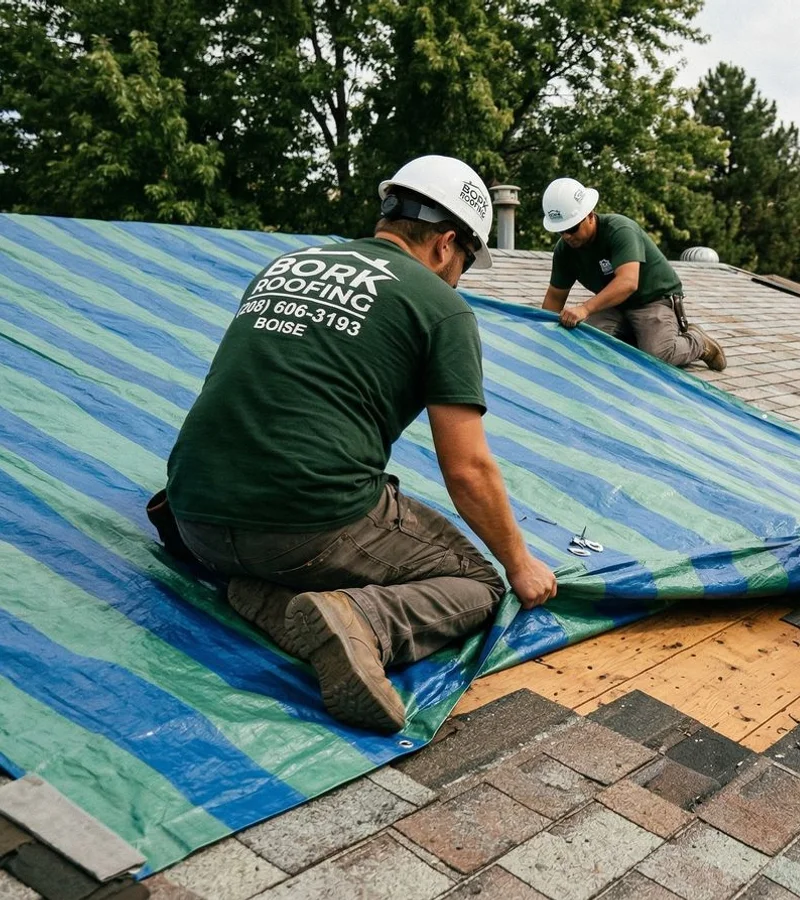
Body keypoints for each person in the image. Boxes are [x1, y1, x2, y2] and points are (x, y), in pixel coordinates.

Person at [165, 155, 557, 733]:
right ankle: (359, 621)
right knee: (478, 580)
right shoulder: (440, 306)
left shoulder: (286, 264)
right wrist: (521, 564)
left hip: (192, 518)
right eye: (464, 264)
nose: (457, 278)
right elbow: (469, 469)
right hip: (301, 528)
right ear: (447, 244)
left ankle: (269, 599)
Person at [538, 177, 725, 371]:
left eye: (572, 228)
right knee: (583, 343)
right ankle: (637, 337)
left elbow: (628, 283)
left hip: (652, 300)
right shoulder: (565, 251)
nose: (567, 236)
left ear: (590, 215)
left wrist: (584, 309)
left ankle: (698, 342)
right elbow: (554, 297)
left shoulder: (619, 230)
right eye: (561, 231)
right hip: (614, 305)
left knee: (656, 356)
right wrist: (544, 338)